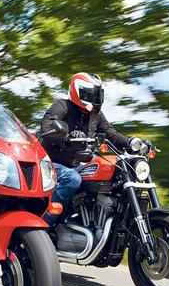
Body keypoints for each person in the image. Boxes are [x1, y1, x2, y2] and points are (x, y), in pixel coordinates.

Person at [40, 72, 140, 224]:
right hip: (49, 164)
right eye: (91, 95)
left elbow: (111, 135)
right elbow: (47, 127)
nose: (95, 99)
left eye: (98, 95)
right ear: (78, 92)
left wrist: (133, 143)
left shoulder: (96, 115)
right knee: (72, 179)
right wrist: (66, 137)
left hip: (76, 165)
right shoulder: (62, 106)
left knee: (112, 174)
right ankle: (45, 222)